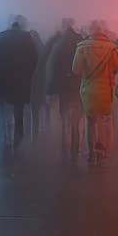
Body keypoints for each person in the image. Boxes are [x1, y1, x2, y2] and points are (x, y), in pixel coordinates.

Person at [72, 20, 118, 165]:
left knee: (91, 121)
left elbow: (75, 69)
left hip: (88, 90)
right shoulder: (112, 48)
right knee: (105, 119)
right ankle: (104, 149)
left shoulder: (82, 47)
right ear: (102, 31)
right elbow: (115, 67)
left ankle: (91, 152)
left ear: (90, 31)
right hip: (105, 89)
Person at [0, 16, 39, 152]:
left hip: (2, 80)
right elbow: (34, 59)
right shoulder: (27, 38)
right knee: (19, 112)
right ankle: (17, 139)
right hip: (20, 81)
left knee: (3, 110)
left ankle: (5, 136)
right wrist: (28, 75)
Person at [46, 19, 84, 160]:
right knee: (76, 117)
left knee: (65, 114)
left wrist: (49, 91)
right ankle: (76, 142)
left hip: (64, 87)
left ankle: (64, 139)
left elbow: (53, 69)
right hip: (79, 85)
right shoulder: (81, 41)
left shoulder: (59, 45)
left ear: (63, 27)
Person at [28, 29, 49, 137]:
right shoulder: (42, 47)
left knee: (32, 107)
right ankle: (39, 130)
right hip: (40, 81)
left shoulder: (27, 49)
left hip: (31, 82)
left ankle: (32, 132)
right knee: (38, 106)